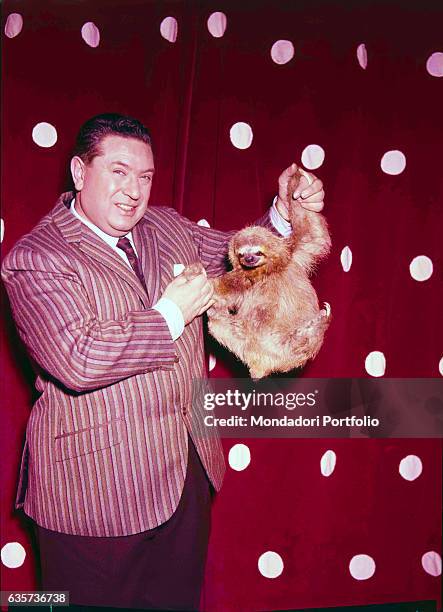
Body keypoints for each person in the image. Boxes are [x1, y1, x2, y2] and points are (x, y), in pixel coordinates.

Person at [1, 113, 325, 611]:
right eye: (118, 171)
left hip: (183, 476)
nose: (134, 190)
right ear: (79, 171)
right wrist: (173, 311)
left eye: (145, 177)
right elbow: (77, 359)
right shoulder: (37, 256)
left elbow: (239, 260)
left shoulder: (165, 225)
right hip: (91, 492)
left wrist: (284, 215)